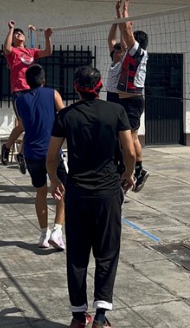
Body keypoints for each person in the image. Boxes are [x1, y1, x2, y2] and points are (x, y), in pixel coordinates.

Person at [47, 66, 135, 328]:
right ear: (100, 87)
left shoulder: (65, 115)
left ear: (76, 88)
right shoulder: (116, 111)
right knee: (107, 253)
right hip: (108, 193)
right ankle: (100, 316)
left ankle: (77, 316)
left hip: (77, 194)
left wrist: (54, 179)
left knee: (77, 254)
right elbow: (129, 152)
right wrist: (129, 174)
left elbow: (51, 156)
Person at [14, 64, 68, 249]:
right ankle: (57, 231)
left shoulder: (20, 101)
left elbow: (21, 126)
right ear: (44, 80)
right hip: (52, 152)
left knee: (41, 192)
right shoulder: (53, 94)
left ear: (27, 82)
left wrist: (7, 145)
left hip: (31, 153)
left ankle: (44, 235)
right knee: (62, 190)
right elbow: (64, 117)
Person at [0, 20, 54, 173]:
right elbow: (6, 48)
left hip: (33, 91)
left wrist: (47, 37)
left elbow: (48, 52)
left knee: (32, 125)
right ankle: (7, 147)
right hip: (19, 91)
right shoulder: (13, 52)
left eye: (20, 32)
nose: (19, 34)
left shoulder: (31, 52)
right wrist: (10, 29)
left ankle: (21, 154)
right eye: (16, 34)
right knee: (24, 125)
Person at [114, 0, 150, 192]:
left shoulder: (139, 52)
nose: (129, 40)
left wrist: (126, 11)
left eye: (132, 38)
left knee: (131, 137)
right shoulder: (131, 52)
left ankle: (138, 169)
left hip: (134, 100)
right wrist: (118, 12)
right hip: (127, 101)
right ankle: (134, 169)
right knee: (127, 137)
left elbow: (127, 31)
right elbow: (124, 30)